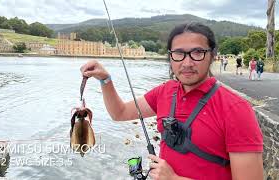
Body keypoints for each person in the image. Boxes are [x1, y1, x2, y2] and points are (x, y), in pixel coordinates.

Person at [80, 23, 263, 180]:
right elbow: (120, 113)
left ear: (213, 55)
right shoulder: (164, 92)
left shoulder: (236, 109)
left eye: (197, 53)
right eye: (179, 53)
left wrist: (175, 178)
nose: (187, 62)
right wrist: (105, 79)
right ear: (170, 57)